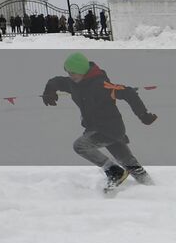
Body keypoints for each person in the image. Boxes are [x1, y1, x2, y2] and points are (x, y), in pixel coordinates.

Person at [43, 52, 158, 193]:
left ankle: (114, 171)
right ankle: (152, 189)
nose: (70, 76)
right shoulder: (73, 83)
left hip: (110, 129)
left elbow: (129, 93)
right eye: (68, 73)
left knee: (80, 146)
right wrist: (49, 89)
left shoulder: (101, 85)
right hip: (99, 129)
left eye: (73, 73)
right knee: (128, 162)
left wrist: (143, 115)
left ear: (82, 71)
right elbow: (57, 81)